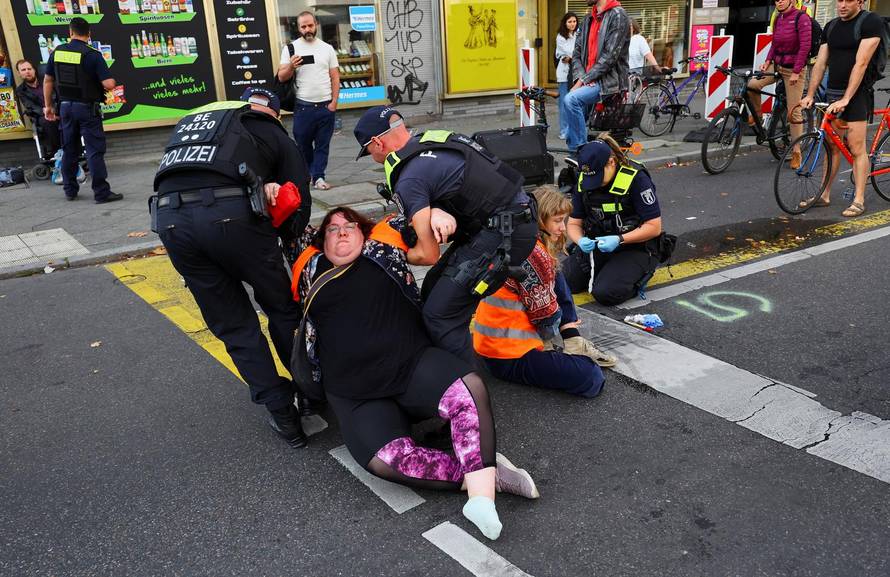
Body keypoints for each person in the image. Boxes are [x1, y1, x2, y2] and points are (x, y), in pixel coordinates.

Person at [291, 207, 539, 541]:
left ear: (364, 233)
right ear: (322, 243)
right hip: (356, 392)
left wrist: (435, 214)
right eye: (332, 230)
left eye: (350, 226)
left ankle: (481, 500)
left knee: (468, 389)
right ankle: (484, 474)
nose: (342, 232)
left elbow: (414, 211)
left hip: (410, 364)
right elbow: (287, 223)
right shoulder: (311, 269)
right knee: (385, 461)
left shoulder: (382, 250)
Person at [152, 87, 313, 449]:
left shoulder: (196, 124)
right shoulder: (267, 125)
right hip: (232, 217)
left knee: (235, 325)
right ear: (274, 113)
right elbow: (297, 196)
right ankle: (311, 391)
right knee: (281, 308)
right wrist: (288, 240)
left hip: (170, 221)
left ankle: (282, 414)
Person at [353, 106, 538, 364]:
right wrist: (437, 210)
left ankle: (468, 394)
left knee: (441, 315)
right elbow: (452, 184)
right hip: (505, 219)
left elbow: (427, 254)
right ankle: (441, 366)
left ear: (377, 143)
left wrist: (387, 253)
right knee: (431, 289)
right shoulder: (430, 142)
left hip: (506, 232)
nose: (371, 155)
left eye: (368, 151)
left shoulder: (408, 180)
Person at [473, 185, 614, 398]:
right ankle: (573, 344)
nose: (563, 228)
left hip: (489, 346)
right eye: (557, 221)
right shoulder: (534, 254)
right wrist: (553, 337)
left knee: (555, 270)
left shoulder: (514, 240)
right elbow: (547, 321)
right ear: (540, 220)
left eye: (564, 220)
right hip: (509, 356)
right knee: (590, 377)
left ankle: (572, 339)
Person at [800, 0, 884, 217]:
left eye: (848, 0)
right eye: (840, 0)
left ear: (860, 2)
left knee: (857, 149)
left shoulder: (871, 22)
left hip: (857, 94)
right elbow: (820, 63)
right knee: (832, 146)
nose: (842, 5)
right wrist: (810, 94)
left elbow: (862, 63)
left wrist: (847, 98)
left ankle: (858, 199)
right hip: (833, 92)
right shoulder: (832, 26)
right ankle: (824, 194)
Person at [562, 135, 663, 305]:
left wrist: (620, 239)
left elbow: (654, 226)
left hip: (634, 247)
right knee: (561, 282)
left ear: (611, 162)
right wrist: (580, 240)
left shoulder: (636, 179)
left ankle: (639, 272)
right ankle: (607, 269)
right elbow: (573, 223)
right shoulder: (584, 179)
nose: (593, 183)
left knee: (605, 293)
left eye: (598, 177)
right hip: (598, 245)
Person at [42, 17, 120, 203]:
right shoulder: (92, 54)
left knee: (69, 149)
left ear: (70, 33)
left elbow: (48, 80)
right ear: (89, 34)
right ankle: (101, 193)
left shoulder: (57, 52)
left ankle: (70, 190)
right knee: (94, 150)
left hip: (65, 108)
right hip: (87, 108)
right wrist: (113, 81)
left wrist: (48, 106)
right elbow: (108, 84)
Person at [276, 11, 340, 191]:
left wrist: (334, 102)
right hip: (303, 107)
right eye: (303, 26)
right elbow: (281, 77)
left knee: (322, 145)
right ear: (298, 28)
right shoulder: (291, 48)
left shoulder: (327, 48)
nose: (307, 29)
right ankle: (310, 173)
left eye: (310, 25)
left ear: (316, 25)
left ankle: (319, 176)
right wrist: (291, 65)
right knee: (303, 145)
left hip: (325, 106)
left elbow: (335, 77)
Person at [748, 0, 811, 169]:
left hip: (794, 69)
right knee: (752, 85)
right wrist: (767, 61)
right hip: (777, 64)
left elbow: (805, 47)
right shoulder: (778, 18)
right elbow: (774, 43)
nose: (780, 1)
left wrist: (797, 71)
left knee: (794, 112)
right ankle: (758, 116)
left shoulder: (801, 18)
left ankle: (797, 151)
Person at [564, 0, 630, 152]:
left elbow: (610, 57)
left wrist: (584, 80)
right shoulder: (589, 19)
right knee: (570, 130)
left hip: (608, 82)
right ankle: (581, 158)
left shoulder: (618, 15)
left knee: (571, 100)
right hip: (590, 80)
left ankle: (581, 151)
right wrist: (584, 78)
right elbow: (577, 53)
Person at [14, 58, 61, 160]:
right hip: (41, 116)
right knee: (47, 122)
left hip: (57, 110)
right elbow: (30, 106)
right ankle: (59, 151)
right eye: (23, 70)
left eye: (29, 69)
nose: (27, 72)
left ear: (34, 70)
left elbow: (58, 97)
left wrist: (54, 111)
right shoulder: (21, 90)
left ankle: (75, 149)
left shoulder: (47, 81)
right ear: (19, 73)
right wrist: (46, 112)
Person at [555, 12, 578, 141]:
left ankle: (574, 129)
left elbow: (578, 53)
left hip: (577, 73)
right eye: (569, 21)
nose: (572, 24)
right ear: (565, 23)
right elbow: (571, 53)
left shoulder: (579, 34)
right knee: (564, 103)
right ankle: (564, 130)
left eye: (574, 21)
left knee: (575, 102)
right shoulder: (561, 37)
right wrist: (572, 57)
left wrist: (572, 57)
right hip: (564, 74)